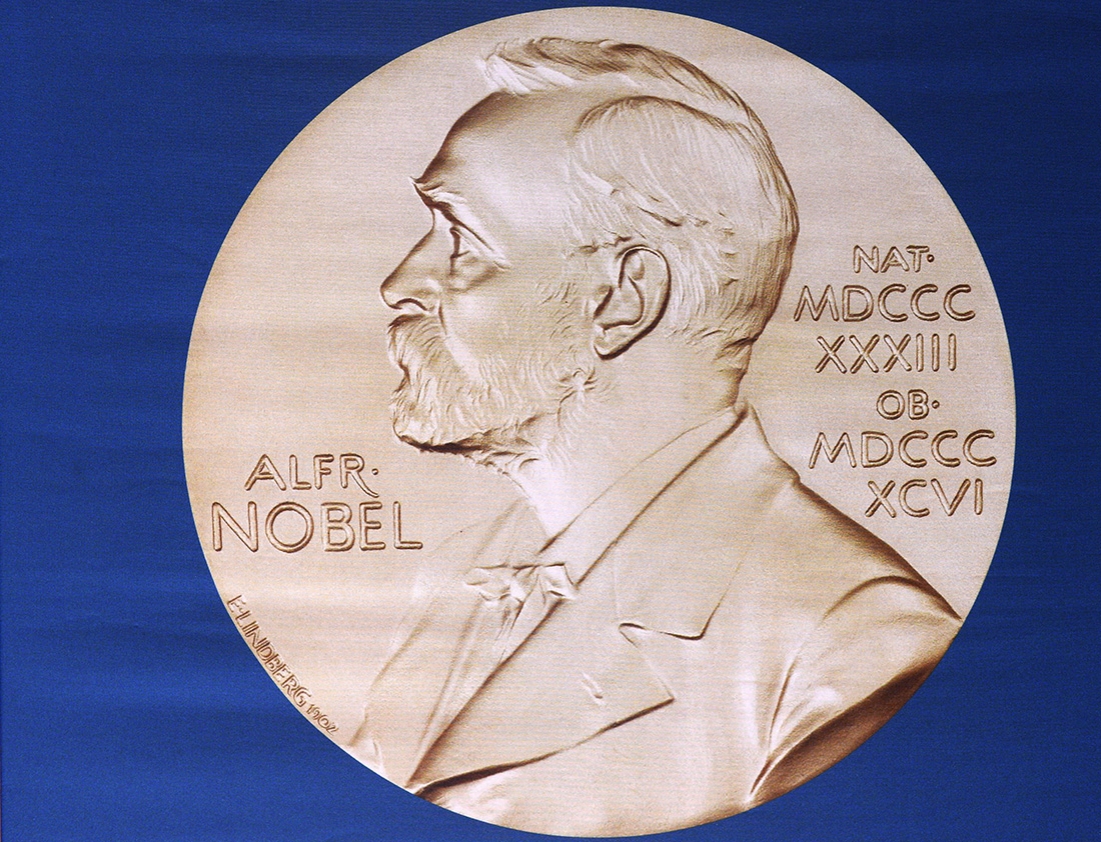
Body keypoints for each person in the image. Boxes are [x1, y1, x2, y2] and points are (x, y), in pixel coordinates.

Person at [350, 38, 959, 836]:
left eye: (461, 239)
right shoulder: (451, 579)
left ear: (623, 298)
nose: (401, 284)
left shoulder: (860, 647)